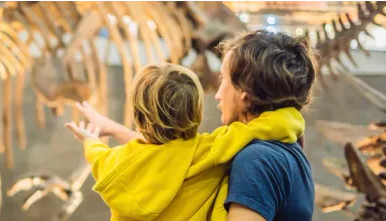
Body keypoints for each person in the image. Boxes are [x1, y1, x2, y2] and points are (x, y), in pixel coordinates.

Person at [69, 30, 316, 221]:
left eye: (224, 80)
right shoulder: (278, 147)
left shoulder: (257, 161)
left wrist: (93, 142)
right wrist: (291, 119)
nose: (218, 95)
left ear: (245, 95)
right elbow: (175, 158)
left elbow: (158, 161)